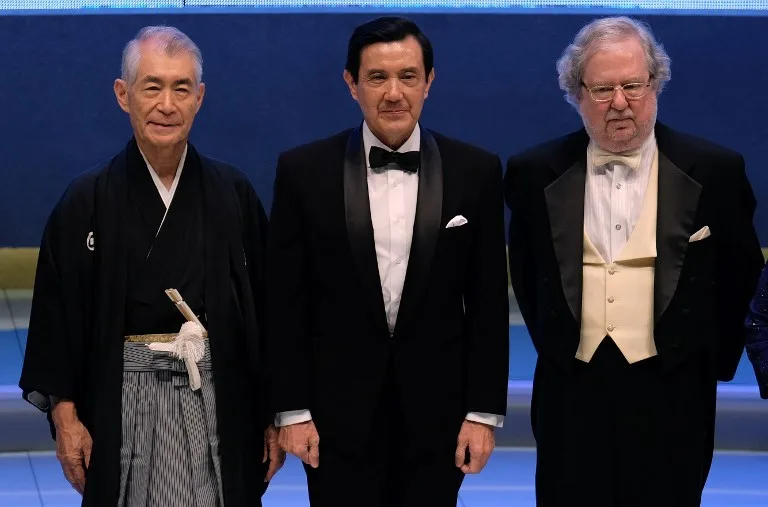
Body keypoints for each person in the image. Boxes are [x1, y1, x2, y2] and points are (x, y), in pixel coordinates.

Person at [18, 25, 283, 506]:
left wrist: (272, 413)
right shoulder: (86, 200)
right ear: (124, 95)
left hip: (217, 399)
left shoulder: (232, 193)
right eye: (152, 87)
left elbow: (266, 312)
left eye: (181, 88)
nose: (167, 104)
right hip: (121, 403)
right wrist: (66, 417)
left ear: (199, 98)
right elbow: (55, 320)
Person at [504, 16, 763, 507]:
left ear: (656, 83)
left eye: (632, 85)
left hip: (674, 391)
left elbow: (739, 277)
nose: (619, 103)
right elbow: (529, 276)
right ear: (576, 93)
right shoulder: (532, 172)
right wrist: (560, 352)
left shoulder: (715, 170)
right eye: (602, 89)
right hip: (569, 393)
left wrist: (704, 364)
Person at [265, 16, 509, 507]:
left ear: (429, 82)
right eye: (377, 77)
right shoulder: (302, 172)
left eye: (408, 76)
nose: (393, 92)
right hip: (335, 420)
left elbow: (486, 304)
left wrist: (483, 413)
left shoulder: (477, 171)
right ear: (351, 83)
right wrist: (291, 411)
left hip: (439, 420)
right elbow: (285, 302)